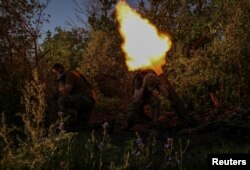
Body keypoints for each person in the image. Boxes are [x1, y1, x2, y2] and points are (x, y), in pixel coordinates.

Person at [124, 69, 194, 130]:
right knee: (131, 117)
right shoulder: (138, 78)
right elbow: (136, 99)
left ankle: (155, 123)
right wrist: (144, 84)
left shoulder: (154, 77)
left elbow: (166, 94)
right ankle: (141, 120)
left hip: (148, 98)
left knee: (155, 100)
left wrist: (158, 83)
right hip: (138, 99)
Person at [51, 63, 96, 132]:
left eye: (55, 73)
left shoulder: (70, 74)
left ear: (60, 70)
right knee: (82, 127)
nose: (55, 75)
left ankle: (69, 121)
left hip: (87, 100)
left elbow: (66, 93)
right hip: (87, 101)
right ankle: (106, 123)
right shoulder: (70, 74)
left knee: (62, 100)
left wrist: (59, 80)